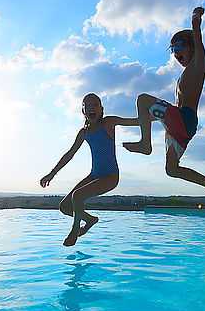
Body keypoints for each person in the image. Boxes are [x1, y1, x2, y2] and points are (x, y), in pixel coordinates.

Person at [123, 7, 205, 207]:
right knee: (172, 169)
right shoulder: (183, 76)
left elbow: (197, 34)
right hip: (179, 127)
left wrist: (195, 18)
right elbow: (155, 116)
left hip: (184, 118)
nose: (175, 53)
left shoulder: (198, 64)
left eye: (179, 46)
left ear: (192, 46)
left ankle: (145, 144)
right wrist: (126, 122)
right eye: (172, 50)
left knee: (143, 99)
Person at [40, 93, 138, 246]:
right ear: (83, 111)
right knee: (65, 207)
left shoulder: (108, 123)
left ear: (101, 109)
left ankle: (75, 230)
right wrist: (51, 174)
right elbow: (69, 154)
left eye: (95, 105)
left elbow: (136, 121)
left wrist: (160, 115)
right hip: (94, 174)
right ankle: (90, 220)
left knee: (77, 196)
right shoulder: (83, 132)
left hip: (110, 176)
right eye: (88, 105)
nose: (92, 108)